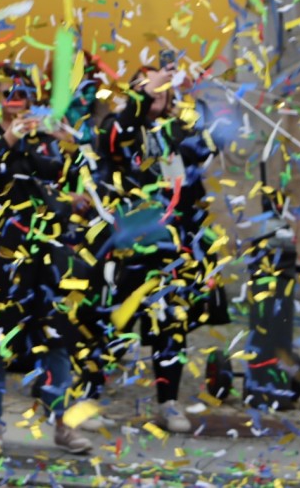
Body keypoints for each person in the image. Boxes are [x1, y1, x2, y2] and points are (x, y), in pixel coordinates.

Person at [0, 62, 93, 455]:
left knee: (55, 337)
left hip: (44, 254)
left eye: (25, 94)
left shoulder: (46, 135)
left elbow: (68, 181)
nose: (18, 102)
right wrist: (8, 139)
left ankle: (62, 423)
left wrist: (68, 146)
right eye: (9, 94)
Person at [96, 57, 198, 433]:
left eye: (163, 86)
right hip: (124, 245)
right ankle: (88, 398)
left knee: (169, 321)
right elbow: (115, 143)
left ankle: (168, 402)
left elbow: (190, 176)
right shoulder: (117, 124)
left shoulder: (170, 131)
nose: (158, 91)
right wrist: (143, 95)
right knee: (114, 320)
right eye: (149, 85)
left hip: (167, 247)